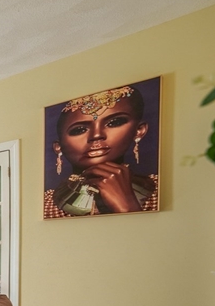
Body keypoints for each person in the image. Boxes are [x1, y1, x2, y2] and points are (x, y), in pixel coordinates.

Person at [45, 84, 158, 218]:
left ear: (139, 131)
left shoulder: (161, 190)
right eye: (79, 130)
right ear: (58, 146)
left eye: (114, 122)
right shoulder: (46, 204)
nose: (96, 135)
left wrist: (128, 207)